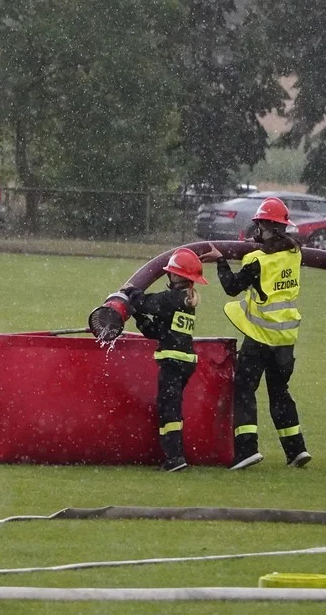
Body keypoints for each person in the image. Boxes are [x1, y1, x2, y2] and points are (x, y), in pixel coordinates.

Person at [201, 197, 311, 470]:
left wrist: (221, 261)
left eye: (259, 225)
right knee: (280, 392)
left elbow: (231, 287)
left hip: (261, 336)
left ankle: (247, 449)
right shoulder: (294, 253)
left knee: (244, 390)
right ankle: (296, 449)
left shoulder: (256, 259)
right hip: (286, 338)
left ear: (265, 226)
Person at [125, 247, 206, 472]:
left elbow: (148, 302)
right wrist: (138, 316)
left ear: (177, 276)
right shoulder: (184, 300)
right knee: (171, 408)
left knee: (168, 410)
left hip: (173, 362)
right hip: (184, 362)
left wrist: (132, 293)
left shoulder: (173, 298)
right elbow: (155, 331)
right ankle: (175, 455)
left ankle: (174, 458)